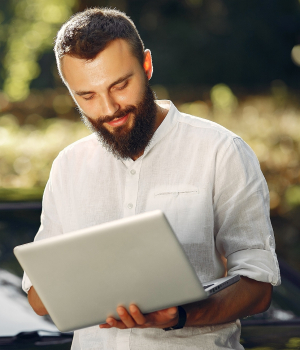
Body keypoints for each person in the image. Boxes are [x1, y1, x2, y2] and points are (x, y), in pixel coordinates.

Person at [22, 7, 280, 350]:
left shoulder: (221, 151)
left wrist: (182, 315)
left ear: (146, 65)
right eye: (87, 96)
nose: (109, 107)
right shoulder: (68, 166)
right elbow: (40, 299)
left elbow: (258, 287)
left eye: (120, 85)